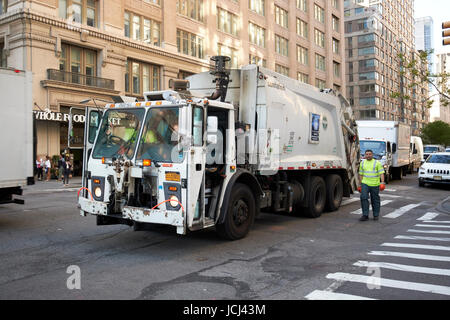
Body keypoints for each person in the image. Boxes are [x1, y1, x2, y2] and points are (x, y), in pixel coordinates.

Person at [358, 149, 386, 221]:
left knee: (375, 200)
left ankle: (376, 215)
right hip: (365, 184)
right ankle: (365, 215)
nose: (368, 155)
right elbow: (361, 174)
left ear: (372, 155)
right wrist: (360, 184)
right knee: (363, 197)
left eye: (369, 154)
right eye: (366, 154)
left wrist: (382, 182)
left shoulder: (377, 163)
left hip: (375, 184)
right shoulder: (362, 163)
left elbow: (381, 173)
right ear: (365, 155)